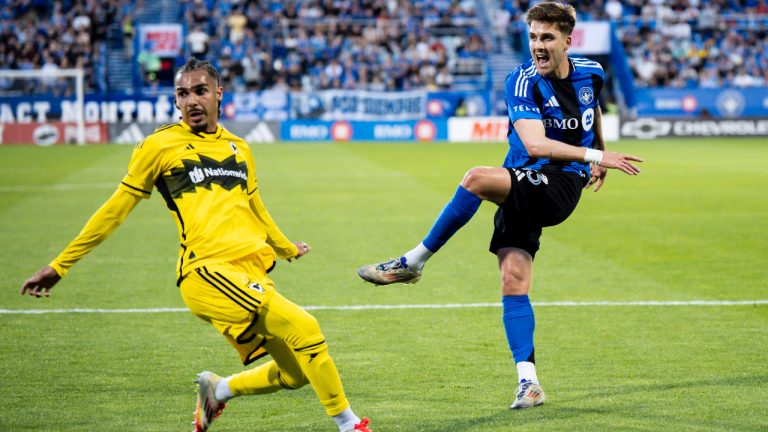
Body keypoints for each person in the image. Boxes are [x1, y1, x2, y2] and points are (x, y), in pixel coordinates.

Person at [21, 58, 372, 432]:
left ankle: (218, 390)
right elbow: (114, 211)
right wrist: (60, 265)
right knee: (305, 326)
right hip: (204, 271)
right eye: (182, 93)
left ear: (218, 94)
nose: (191, 100)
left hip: (247, 271)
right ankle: (350, 426)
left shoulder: (240, 149)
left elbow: (255, 207)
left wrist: (285, 248)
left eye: (200, 91)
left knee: (297, 373)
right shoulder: (159, 146)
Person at [357, 1, 642, 410]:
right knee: (513, 281)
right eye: (532, 37)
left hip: (558, 187)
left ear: (567, 39)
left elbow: (591, 107)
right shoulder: (521, 80)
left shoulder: (591, 73)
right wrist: (599, 157)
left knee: (475, 178)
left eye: (546, 37)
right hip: (522, 181)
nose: (538, 46)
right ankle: (529, 383)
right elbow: (534, 144)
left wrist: (598, 151)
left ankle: (413, 262)